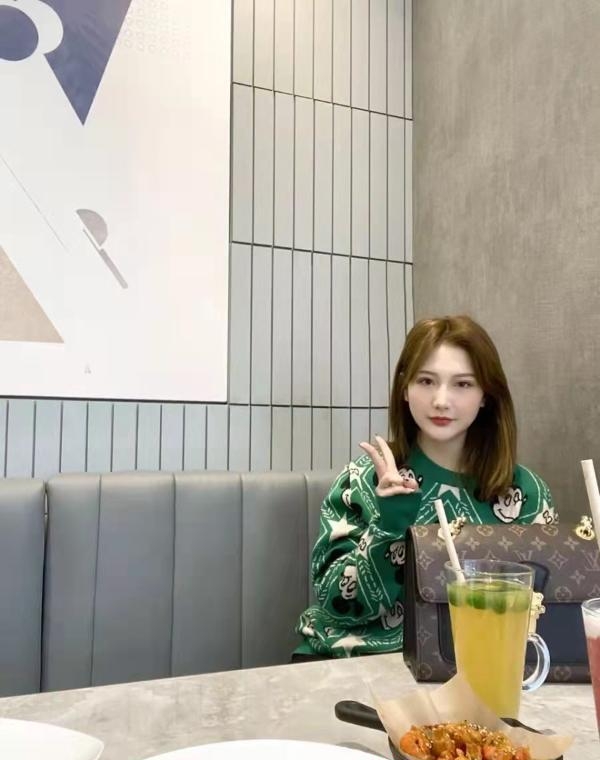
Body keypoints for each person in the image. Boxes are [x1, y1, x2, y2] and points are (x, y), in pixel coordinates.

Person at [293, 315, 556, 660]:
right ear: (404, 388)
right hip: (351, 664)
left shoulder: (526, 494)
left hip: (475, 667)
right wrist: (388, 528)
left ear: (486, 395)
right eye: (426, 381)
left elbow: (543, 611)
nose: (441, 401)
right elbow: (337, 605)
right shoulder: (363, 479)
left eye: (463, 384)